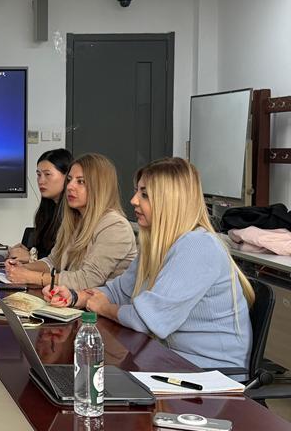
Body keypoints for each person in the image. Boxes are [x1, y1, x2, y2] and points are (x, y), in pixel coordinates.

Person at [45, 157, 254, 369]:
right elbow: (119, 291)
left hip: (206, 373)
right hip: (166, 358)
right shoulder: (158, 245)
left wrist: (104, 308)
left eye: (144, 194)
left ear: (169, 201)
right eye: (137, 191)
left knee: (92, 376)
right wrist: (76, 297)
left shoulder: (198, 246)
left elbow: (147, 319)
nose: (134, 200)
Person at [5, 153, 137, 290]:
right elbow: (52, 261)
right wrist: (24, 268)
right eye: (69, 180)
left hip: (98, 302)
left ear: (100, 187)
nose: (69, 187)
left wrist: (31, 277)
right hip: (71, 298)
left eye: (80, 182)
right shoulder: (75, 220)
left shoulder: (115, 226)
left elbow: (87, 279)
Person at [5, 148, 72, 269]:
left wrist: (31, 257)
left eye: (47, 174)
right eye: (38, 175)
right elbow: (47, 252)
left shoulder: (73, 214)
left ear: (67, 176)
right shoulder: (47, 210)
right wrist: (29, 251)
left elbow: (64, 263)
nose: (41, 181)